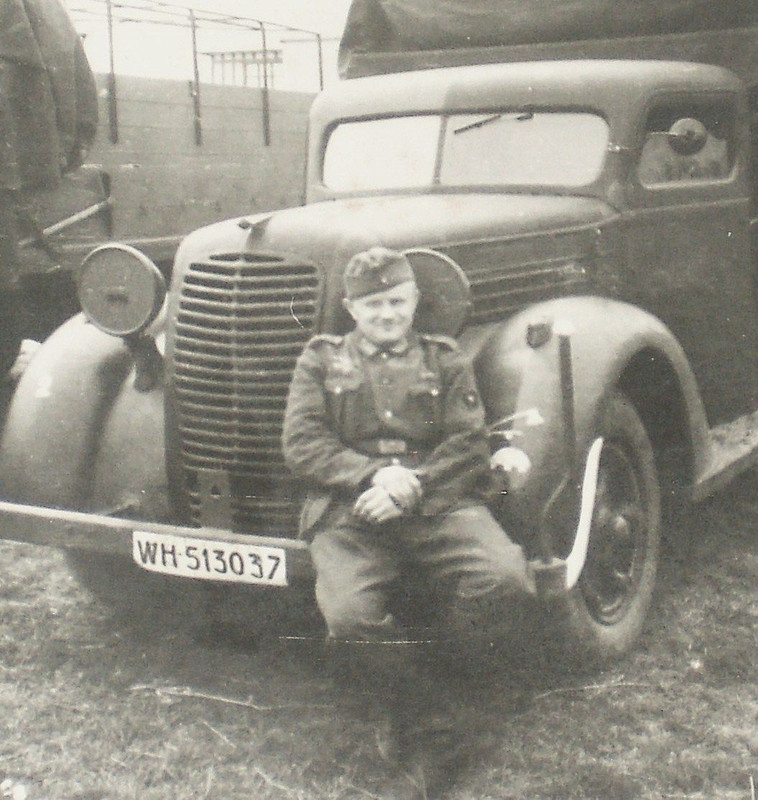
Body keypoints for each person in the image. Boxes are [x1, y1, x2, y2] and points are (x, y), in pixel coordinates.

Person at [282, 247, 535, 799]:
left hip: (439, 500)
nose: (387, 313)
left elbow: (468, 441)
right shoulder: (320, 359)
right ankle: (421, 712)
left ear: (415, 301)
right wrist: (375, 477)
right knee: (349, 618)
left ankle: (455, 690)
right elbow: (302, 445)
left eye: (397, 300)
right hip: (351, 510)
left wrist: (411, 487)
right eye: (373, 304)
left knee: (505, 579)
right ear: (351, 308)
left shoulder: (444, 358)